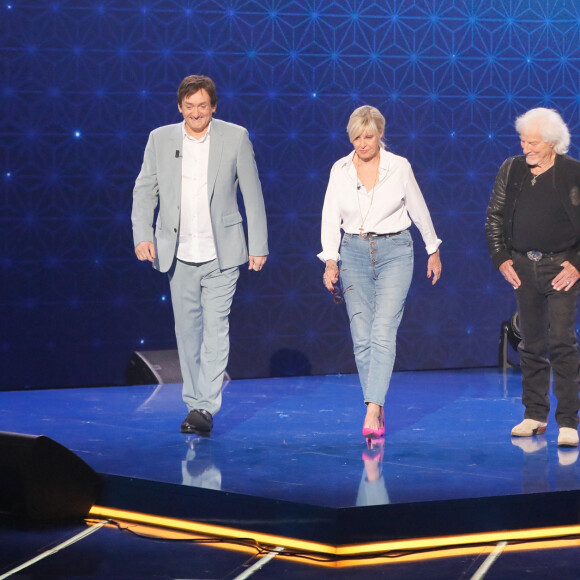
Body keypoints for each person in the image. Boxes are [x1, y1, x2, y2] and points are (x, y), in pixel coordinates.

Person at [132, 75, 268, 436]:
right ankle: (194, 403)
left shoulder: (235, 136)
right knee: (187, 334)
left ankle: (206, 407)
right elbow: (145, 190)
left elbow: (252, 194)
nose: (196, 112)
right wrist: (143, 234)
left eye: (202, 106)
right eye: (189, 106)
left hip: (221, 254)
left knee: (215, 329)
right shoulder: (160, 139)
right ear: (180, 107)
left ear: (214, 106)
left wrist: (258, 245)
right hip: (177, 253)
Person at [318, 105, 442, 440]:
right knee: (362, 334)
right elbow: (330, 218)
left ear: (380, 134)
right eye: (356, 137)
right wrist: (331, 261)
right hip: (353, 253)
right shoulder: (340, 170)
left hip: (395, 252)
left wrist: (433, 249)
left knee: (383, 329)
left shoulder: (398, 167)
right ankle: (378, 400)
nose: (362, 143)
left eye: (368, 136)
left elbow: (418, 207)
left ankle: (373, 408)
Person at [486, 107, 580, 448]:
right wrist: (501, 258)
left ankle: (568, 421)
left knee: (562, 343)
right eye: (524, 141)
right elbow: (494, 217)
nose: (527, 148)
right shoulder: (511, 170)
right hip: (523, 268)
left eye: (534, 142)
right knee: (532, 344)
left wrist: (577, 264)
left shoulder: (573, 173)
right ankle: (534, 415)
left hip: (562, 271)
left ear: (553, 143)